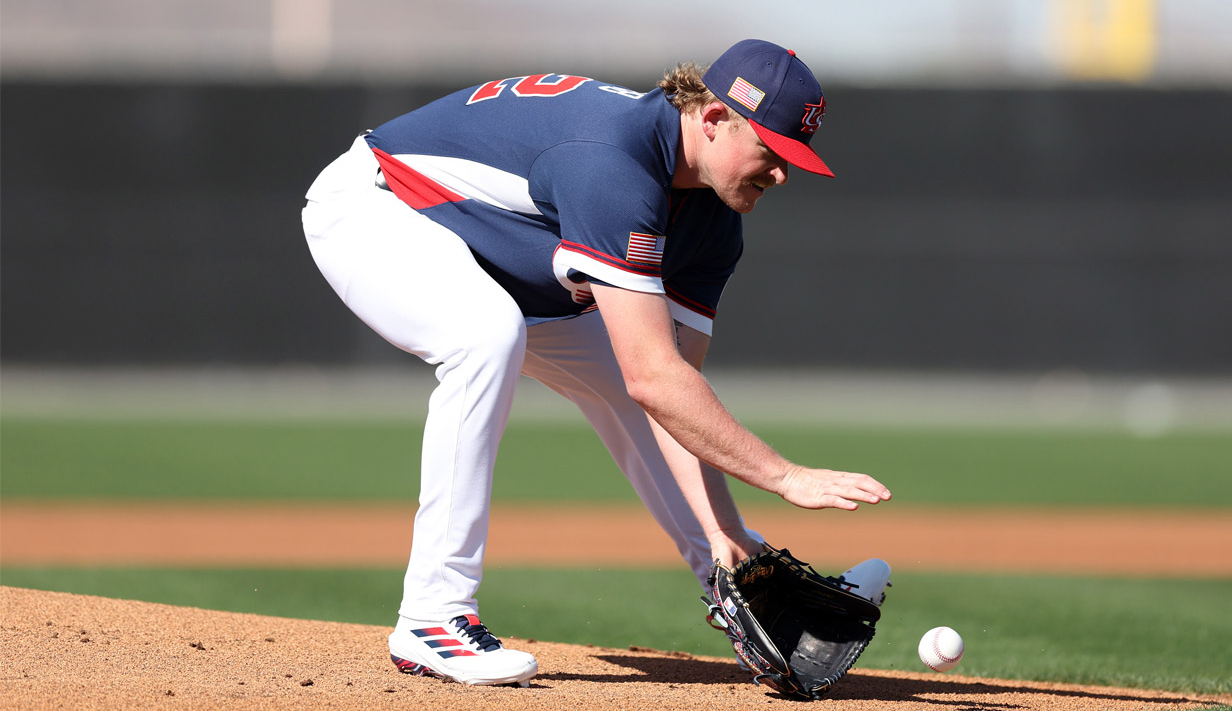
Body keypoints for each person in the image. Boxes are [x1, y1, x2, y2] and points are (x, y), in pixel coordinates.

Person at [300, 39, 892, 688]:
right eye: (771, 151)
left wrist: (723, 526)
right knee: (484, 337)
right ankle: (432, 617)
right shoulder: (612, 163)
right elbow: (654, 377)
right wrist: (783, 476)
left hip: (490, 253)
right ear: (714, 118)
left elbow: (673, 393)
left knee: (635, 384)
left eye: (792, 157)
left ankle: (736, 579)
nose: (780, 174)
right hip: (377, 207)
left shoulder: (713, 222)